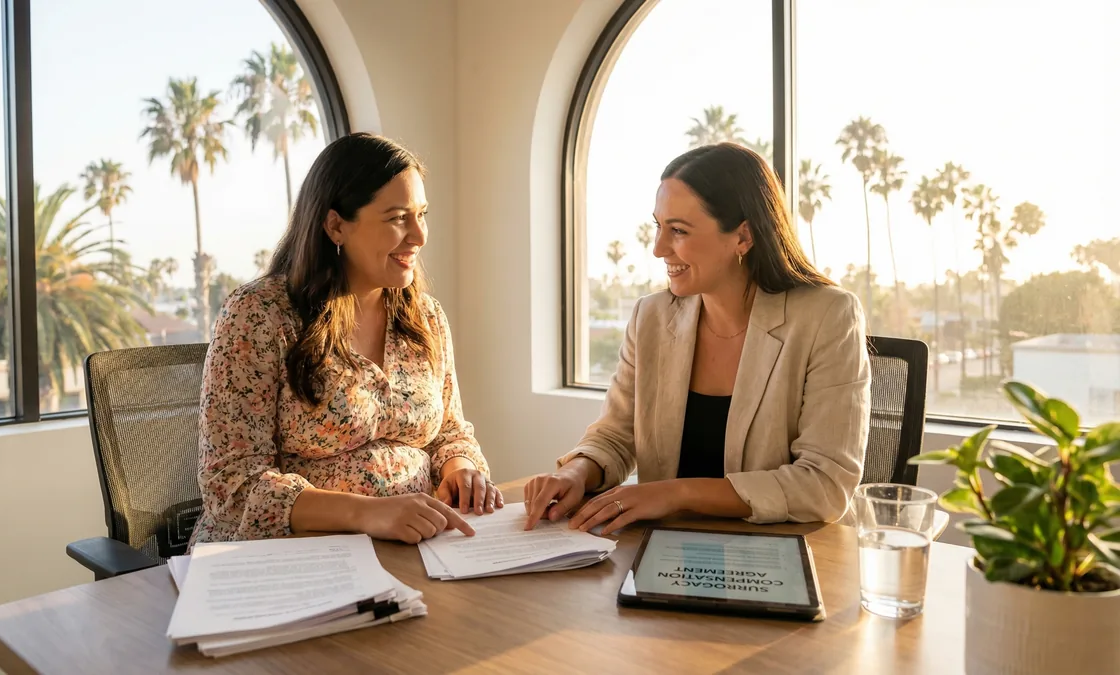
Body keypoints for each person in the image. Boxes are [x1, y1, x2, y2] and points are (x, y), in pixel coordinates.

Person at [524, 142, 870, 535]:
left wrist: (674, 494)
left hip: (776, 557)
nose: (658, 248)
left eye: (678, 231)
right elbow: (616, 435)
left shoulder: (828, 316)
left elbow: (824, 485)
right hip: (661, 553)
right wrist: (576, 471)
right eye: (659, 226)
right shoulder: (650, 317)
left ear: (743, 236)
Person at [191, 132, 502, 547]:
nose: (419, 236)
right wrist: (368, 514)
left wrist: (460, 469)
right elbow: (231, 486)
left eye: (421, 214)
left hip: (412, 549)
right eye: (397, 218)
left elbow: (448, 431)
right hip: (286, 556)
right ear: (336, 225)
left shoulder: (427, 318)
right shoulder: (260, 315)